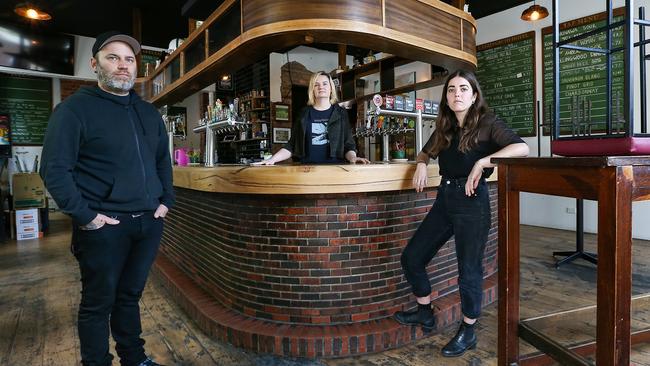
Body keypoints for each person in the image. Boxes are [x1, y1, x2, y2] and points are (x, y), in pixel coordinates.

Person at [40, 31, 173, 366]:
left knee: (129, 297)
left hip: (147, 223)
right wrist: (86, 216)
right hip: (103, 226)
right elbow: (54, 170)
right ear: (94, 63)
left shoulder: (148, 113)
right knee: (98, 303)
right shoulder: (72, 111)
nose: (123, 66)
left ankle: (134, 358)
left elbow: (161, 161)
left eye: (129, 60)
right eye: (113, 57)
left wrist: (165, 199)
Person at [393, 70, 529, 357]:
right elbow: (425, 151)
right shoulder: (445, 127)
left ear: (474, 94)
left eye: (463, 88)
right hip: (445, 199)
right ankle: (424, 311)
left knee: (468, 272)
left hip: (472, 203)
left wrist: (484, 161)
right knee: (412, 257)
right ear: (446, 96)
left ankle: (468, 330)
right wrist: (420, 162)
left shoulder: (488, 123)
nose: (457, 94)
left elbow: (522, 147)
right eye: (452, 89)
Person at [253, 71, 370, 165]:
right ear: (312, 90)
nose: (321, 87)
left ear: (331, 88)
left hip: (335, 169)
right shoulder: (304, 113)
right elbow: (292, 145)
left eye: (325, 83)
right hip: (307, 170)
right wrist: (272, 159)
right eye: (316, 85)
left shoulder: (341, 113)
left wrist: (353, 158)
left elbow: (348, 144)